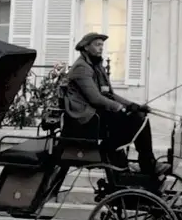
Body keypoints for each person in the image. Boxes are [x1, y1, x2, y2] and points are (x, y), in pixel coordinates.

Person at [62, 32, 171, 176]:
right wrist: (121, 108)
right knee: (136, 119)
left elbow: (110, 95)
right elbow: (95, 98)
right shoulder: (82, 67)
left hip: (96, 115)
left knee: (140, 115)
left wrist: (134, 105)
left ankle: (140, 162)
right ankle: (145, 163)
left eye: (102, 45)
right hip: (85, 119)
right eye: (97, 45)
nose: (101, 48)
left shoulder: (96, 66)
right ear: (86, 47)